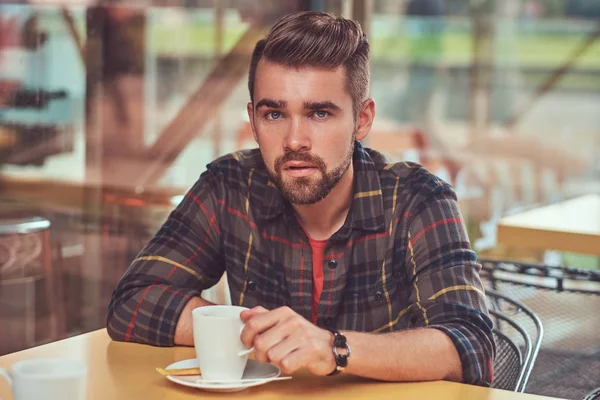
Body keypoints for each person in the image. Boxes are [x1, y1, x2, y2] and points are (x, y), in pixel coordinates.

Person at [107, 11, 494, 386]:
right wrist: (257, 330)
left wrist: (333, 349)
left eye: (320, 114)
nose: (294, 141)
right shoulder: (228, 186)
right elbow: (133, 302)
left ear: (362, 119)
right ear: (253, 120)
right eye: (274, 114)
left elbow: (471, 347)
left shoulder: (418, 200)